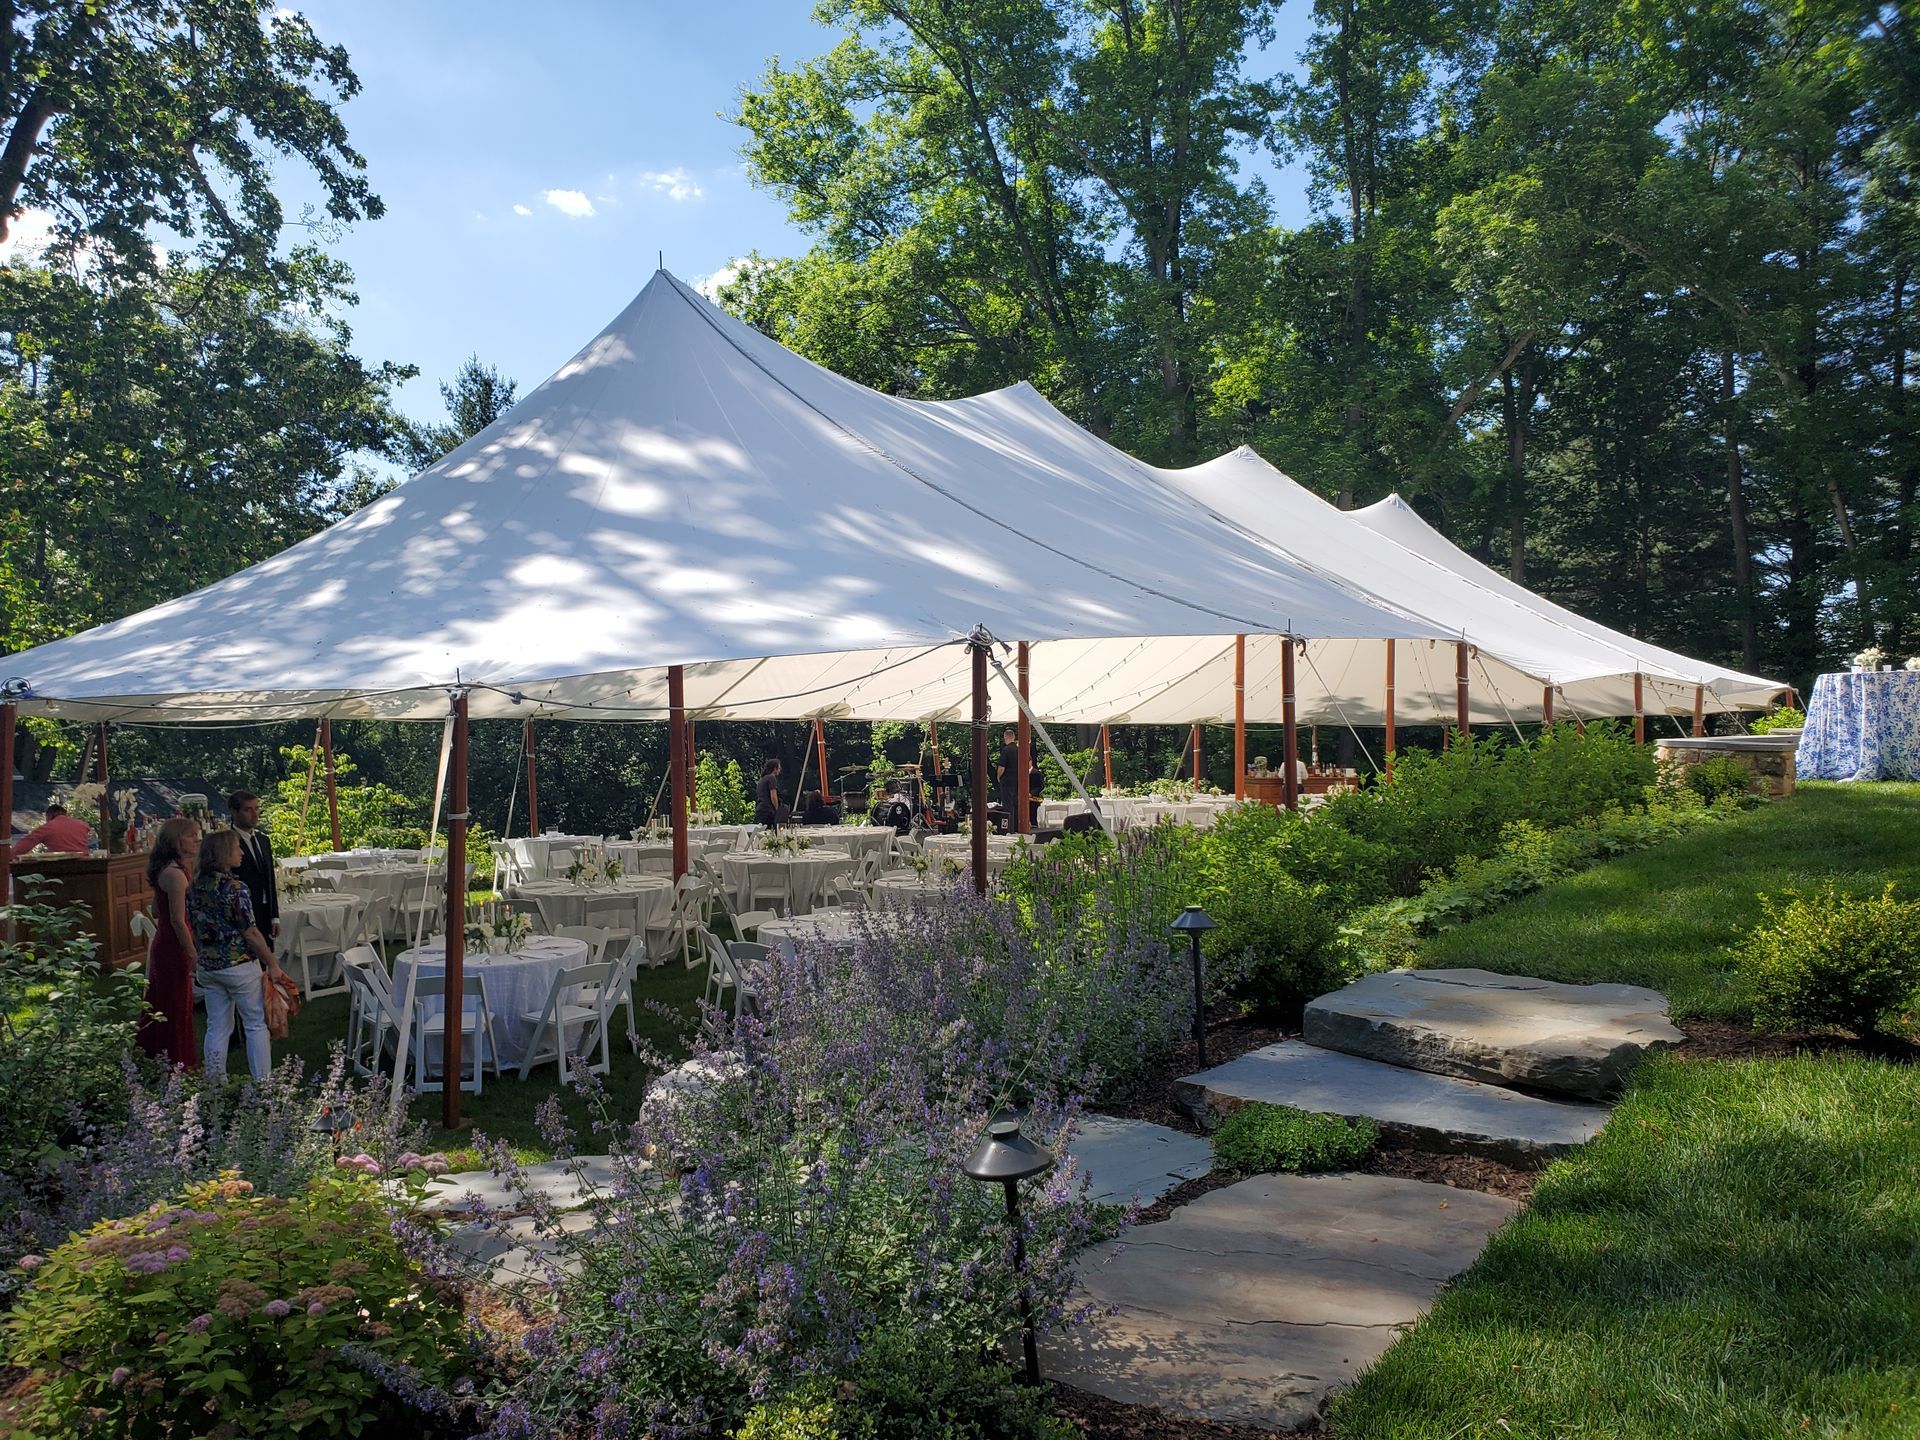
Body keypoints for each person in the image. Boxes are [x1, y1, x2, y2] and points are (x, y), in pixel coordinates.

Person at [189, 828, 290, 1082]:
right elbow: (251, 932)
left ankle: (215, 1084)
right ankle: (263, 1084)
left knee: (217, 1026)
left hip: (209, 967)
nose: (242, 852)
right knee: (255, 1023)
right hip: (239, 966)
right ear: (224, 853)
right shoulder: (235, 888)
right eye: (237, 848)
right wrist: (272, 963)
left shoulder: (195, 886)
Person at [135, 817, 201, 1070]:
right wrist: (192, 951)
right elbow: (176, 919)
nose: (196, 840)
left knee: (164, 999)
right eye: (190, 835)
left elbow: (154, 909)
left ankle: (156, 1055)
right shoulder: (175, 874)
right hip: (173, 945)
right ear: (176, 841)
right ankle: (176, 1060)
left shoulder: (170, 869)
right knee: (175, 1003)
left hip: (164, 941)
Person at [226, 790, 279, 947]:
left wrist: (274, 916)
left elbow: (270, 878)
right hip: (242, 912)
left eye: (256, 809)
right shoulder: (226, 842)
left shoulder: (263, 840)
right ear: (233, 812)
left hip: (264, 911)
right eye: (248, 810)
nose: (255, 814)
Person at [9, 801, 96, 856]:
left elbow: (23, 846)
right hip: (86, 864)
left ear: (49, 816)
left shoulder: (47, 828)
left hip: (61, 868)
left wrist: (8, 857)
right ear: (65, 814)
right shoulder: (83, 825)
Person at [994, 727, 1019, 832]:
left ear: (1005, 737)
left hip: (1007, 781)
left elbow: (1001, 767)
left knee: (1008, 806)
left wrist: (998, 776)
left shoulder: (1006, 750)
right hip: (1018, 781)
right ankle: (1018, 827)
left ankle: (1010, 829)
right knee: (1016, 804)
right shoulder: (1019, 750)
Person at [754, 758, 784, 827]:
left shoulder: (762, 780)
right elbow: (773, 796)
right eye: (779, 768)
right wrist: (777, 809)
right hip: (768, 811)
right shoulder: (772, 778)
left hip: (760, 809)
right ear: (775, 769)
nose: (780, 770)